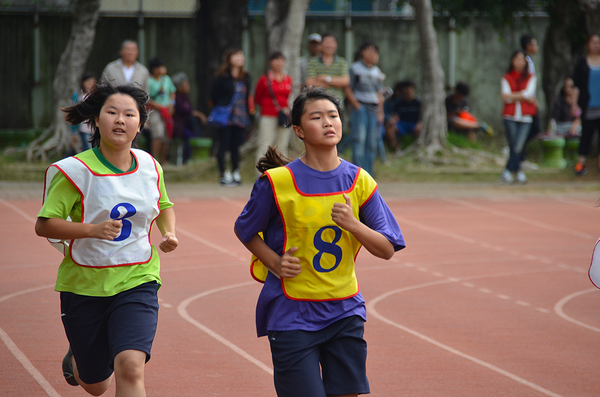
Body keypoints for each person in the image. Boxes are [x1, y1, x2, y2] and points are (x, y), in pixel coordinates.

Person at [234, 88, 405, 397]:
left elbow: (387, 248)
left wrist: (354, 226)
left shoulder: (359, 181)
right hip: (291, 312)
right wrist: (274, 262)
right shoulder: (278, 182)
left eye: (334, 116)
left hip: (345, 310)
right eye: (317, 117)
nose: (328, 123)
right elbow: (245, 229)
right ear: (298, 130)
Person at [34, 82, 179, 396]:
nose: (120, 120)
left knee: (130, 366)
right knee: (97, 385)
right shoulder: (75, 171)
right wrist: (92, 230)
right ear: (96, 120)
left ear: (140, 123)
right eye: (111, 112)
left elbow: (164, 204)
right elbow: (45, 225)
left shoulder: (150, 167)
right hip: (84, 285)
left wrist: (168, 232)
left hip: (137, 278)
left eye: (129, 114)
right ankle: (79, 362)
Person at [210, 48, 253, 186]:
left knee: (236, 146)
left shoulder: (246, 77)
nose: (240, 58)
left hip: (240, 116)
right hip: (225, 116)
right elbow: (213, 95)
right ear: (229, 58)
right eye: (236, 55)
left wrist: (249, 114)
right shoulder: (222, 76)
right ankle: (223, 174)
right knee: (223, 144)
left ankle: (236, 172)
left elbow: (247, 97)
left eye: (241, 55)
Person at [345, 40, 385, 175]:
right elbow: (348, 89)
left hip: (374, 109)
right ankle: (358, 173)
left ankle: (369, 174)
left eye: (374, 51)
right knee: (359, 140)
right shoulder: (355, 68)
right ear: (362, 52)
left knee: (371, 143)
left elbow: (379, 94)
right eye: (369, 50)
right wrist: (356, 105)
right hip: (360, 107)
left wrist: (381, 112)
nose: (372, 54)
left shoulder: (377, 71)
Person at [500, 50, 537, 184]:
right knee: (513, 145)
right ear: (512, 61)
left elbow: (529, 94)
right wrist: (523, 96)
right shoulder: (507, 77)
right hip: (510, 116)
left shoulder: (531, 77)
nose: (520, 62)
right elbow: (505, 97)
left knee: (518, 146)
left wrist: (514, 95)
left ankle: (508, 171)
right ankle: (518, 172)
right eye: (517, 59)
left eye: (522, 60)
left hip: (525, 117)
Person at [254, 51, 293, 166]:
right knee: (265, 144)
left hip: (284, 115)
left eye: (281, 60)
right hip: (268, 114)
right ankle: (261, 173)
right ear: (270, 62)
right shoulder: (264, 79)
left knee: (282, 145)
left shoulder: (288, 79)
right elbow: (257, 98)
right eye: (276, 60)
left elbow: (289, 96)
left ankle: (282, 172)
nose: (279, 63)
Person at [572, 34, 600, 176]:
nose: (596, 45)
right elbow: (576, 86)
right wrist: (574, 104)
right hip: (588, 106)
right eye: (593, 42)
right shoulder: (582, 64)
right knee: (586, 136)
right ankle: (580, 164)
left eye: (598, 43)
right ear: (588, 44)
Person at [305, 33, 349, 108]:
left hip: (337, 104)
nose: (329, 45)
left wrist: (324, 78)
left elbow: (345, 81)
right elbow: (310, 83)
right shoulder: (312, 62)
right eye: (326, 42)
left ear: (336, 45)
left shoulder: (342, 62)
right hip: (317, 103)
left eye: (332, 43)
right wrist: (336, 83)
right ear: (321, 45)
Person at [172, 72, 207, 165]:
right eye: (185, 84)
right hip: (178, 127)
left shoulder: (185, 97)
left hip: (188, 125)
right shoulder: (175, 98)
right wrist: (198, 114)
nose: (188, 86)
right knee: (191, 138)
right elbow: (185, 110)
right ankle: (187, 160)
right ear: (178, 87)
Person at [147, 57, 176, 164]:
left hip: (167, 111)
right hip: (155, 111)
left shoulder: (167, 79)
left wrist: (172, 104)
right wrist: (156, 105)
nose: (163, 69)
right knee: (157, 134)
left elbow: (172, 92)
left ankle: (163, 160)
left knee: (166, 135)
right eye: (160, 67)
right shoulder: (149, 81)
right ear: (154, 69)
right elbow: (146, 97)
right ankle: (154, 159)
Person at [384, 79, 422, 152]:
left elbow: (422, 117)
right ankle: (396, 150)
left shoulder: (418, 102)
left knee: (420, 129)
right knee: (389, 128)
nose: (408, 91)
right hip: (402, 123)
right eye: (406, 89)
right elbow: (394, 115)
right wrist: (392, 121)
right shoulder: (399, 103)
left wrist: (420, 123)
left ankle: (419, 148)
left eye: (410, 89)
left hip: (414, 123)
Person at [520, 33, 542, 160]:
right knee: (534, 127)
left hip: (531, 99)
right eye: (534, 44)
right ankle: (516, 149)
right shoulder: (524, 61)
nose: (536, 47)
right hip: (527, 100)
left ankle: (520, 152)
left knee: (533, 128)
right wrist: (533, 100)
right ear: (528, 46)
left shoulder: (530, 61)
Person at [70, 72, 97, 154]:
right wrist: (74, 131)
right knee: (87, 149)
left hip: (96, 127)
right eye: (88, 82)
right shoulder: (78, 96)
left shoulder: (97, 96)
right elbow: (74, 114)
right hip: (84, 128)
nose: (90, 84)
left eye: (92, 82)